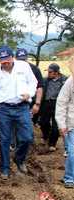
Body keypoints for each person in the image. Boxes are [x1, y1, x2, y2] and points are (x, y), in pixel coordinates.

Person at [0, 46, 38, 179]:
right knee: (4, 139)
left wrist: (30, 93)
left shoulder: (24, 67)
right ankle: (5, 168)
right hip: (3, 108)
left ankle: (19, 159)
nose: (6, 62)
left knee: (27, 137)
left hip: (22, 107)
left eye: (7, 59)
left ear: (12, 57)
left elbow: (34, 82)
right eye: (2, 60)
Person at [39, 63, 67, 151]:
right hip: (46, 103)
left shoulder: (65, 81)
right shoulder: (45, 80)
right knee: (43, 123)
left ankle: (52, 143)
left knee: (56, 125)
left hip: (58, 104)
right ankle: (46, 136)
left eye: (50, 72)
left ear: (56, 73)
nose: (48, 73)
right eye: (48, 72)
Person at [55, 56, 74, 188]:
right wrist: (61, 124)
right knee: (72, 152)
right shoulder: (70, 82)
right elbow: (61, 103)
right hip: (72, 123)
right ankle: (69, 178)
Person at [15, 48, 44, 125]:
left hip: (29, 103)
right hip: (13, 103)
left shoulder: (35, 69)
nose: (22, 62)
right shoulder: (11, 69)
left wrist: (37, 104)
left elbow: (39, 87)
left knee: (26, 125)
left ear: (27, 58)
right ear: (15, 59)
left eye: (24, 60)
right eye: (20, 60)